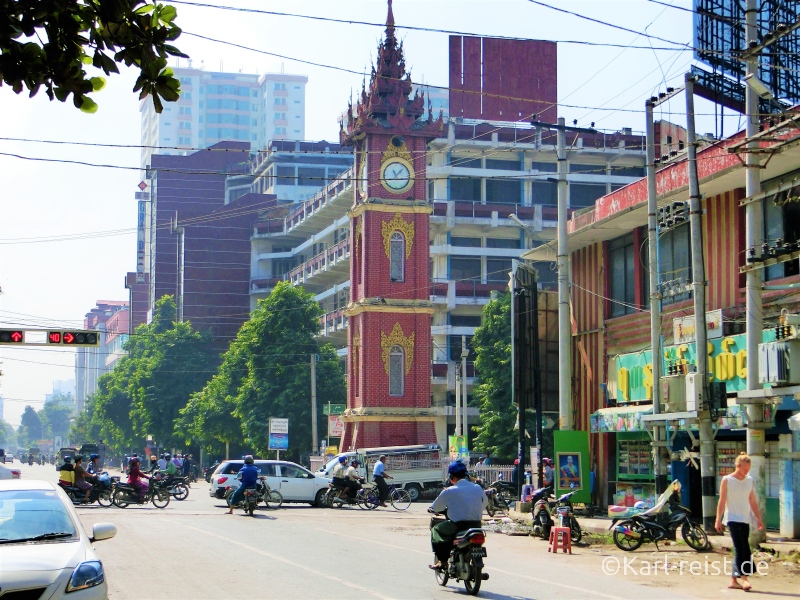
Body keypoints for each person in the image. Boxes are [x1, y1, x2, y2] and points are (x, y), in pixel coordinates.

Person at [715, 452, 764, 592]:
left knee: (743, 548)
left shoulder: (749, 480)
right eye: (744, 469)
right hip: (732, 518)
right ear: (737, 466)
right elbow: (722, 500)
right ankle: (744, 579)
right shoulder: (727, 480)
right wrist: (718, 519)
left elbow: (752, 500)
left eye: (748, 469)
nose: (746, 471)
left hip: (745, 519)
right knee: (740, 548)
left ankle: (733, 580)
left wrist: (759, 518)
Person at [428, 461, 488, 570]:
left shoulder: (449, 491)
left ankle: (443, 561)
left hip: (457, 525)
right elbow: (485, 503)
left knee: (436, 530)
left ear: (452, 477)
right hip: (476, 525)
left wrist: (431, 509)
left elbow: (436, 508)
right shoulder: (477, 488)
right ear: (466, 475)